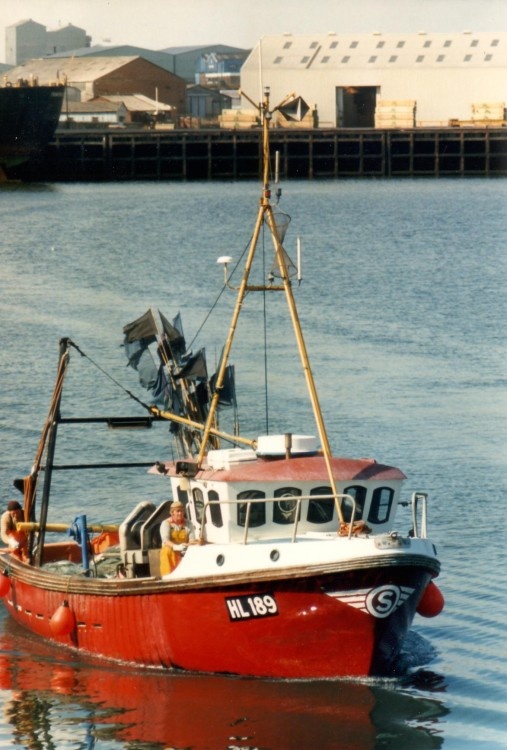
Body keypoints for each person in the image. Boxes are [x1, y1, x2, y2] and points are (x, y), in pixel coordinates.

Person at [159, 500, 195, 577]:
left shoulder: (189, 524)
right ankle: (167, 577)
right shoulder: (166, 523)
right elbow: (165, 540)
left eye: (182, 511)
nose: (180, 513)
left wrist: (186, 546)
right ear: (172, 513)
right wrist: (176, 547)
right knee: (166, 550)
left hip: (184, 551)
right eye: (178, 511)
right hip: (171, 552)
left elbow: (192, 540)